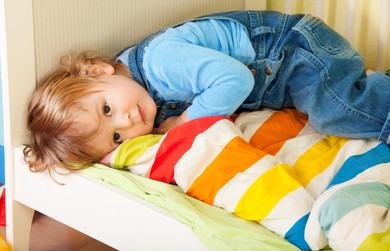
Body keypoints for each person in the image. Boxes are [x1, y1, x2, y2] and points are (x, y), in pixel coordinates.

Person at [24, 10, 390, 175]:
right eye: (117, 137)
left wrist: (185, 120)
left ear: (97, 70)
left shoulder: (161, 62)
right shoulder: (137, 89)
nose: (126, 120)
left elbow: (236, 81)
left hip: (296, 52)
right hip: (282, 75)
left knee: (336, 112)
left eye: (106, 109)